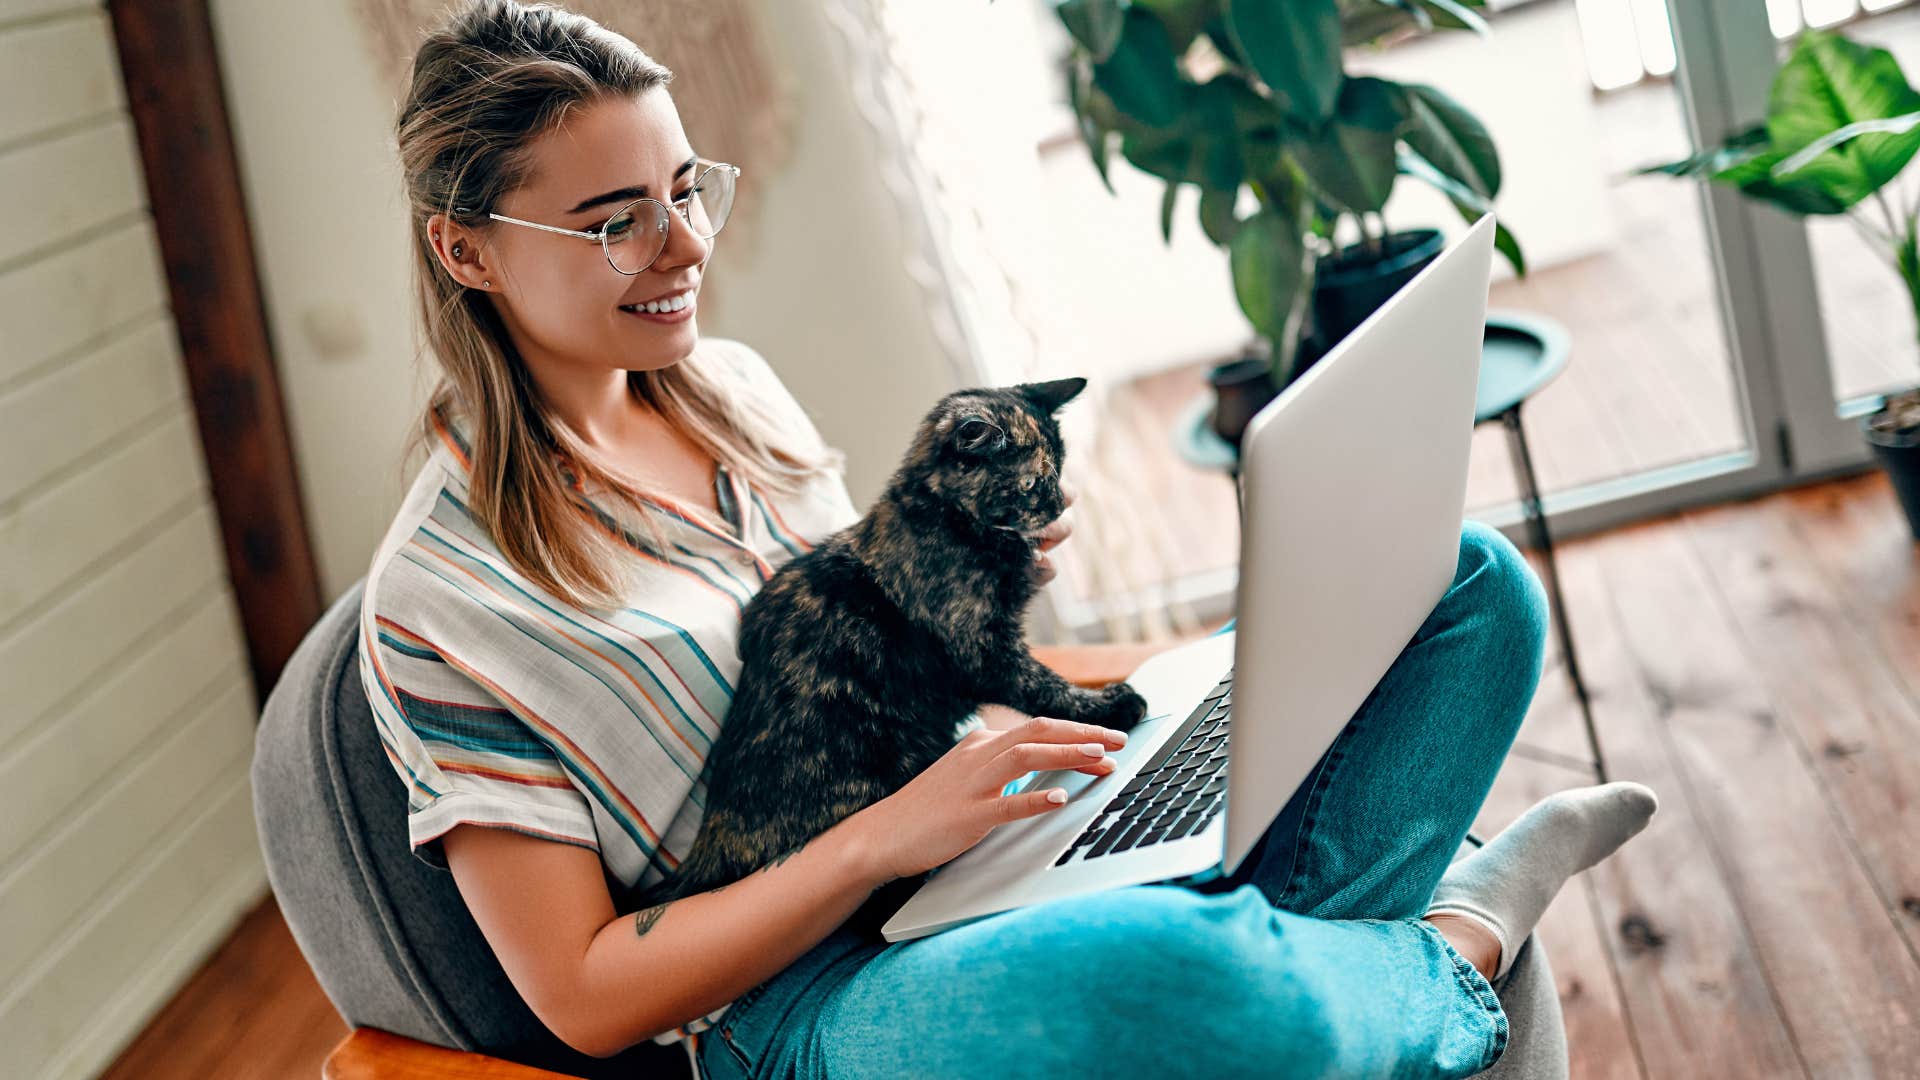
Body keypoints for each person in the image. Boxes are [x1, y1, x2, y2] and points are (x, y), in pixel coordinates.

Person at [359, 2, 1659, 1076]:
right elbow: (583, 996)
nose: (686, 244)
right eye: (613, 220)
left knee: (1472, 587)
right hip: (804, 1000)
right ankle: (1452, 950)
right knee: (1177, 982)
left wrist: (982, 590)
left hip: (985, 837)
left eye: (685, 187)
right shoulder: (447, 607)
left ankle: (1291, 989)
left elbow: (868, 651)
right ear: (465, 250)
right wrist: (880, 838)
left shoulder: (735, 394)